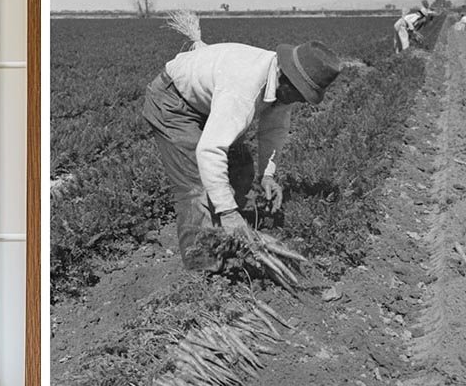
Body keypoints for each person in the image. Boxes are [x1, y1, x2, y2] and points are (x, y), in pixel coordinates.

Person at [143, 32, 343, 270]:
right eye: (300, 94)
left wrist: (267, 175)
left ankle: (225, 234)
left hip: (207, 101)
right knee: (196, 186)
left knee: (241, 168)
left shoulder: (282, 84)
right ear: (286, 77)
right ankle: (203, 270)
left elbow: (275, 128)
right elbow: (209, 150)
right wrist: (229, 212)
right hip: (174, 103)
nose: (299, 100)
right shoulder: (244, 89)